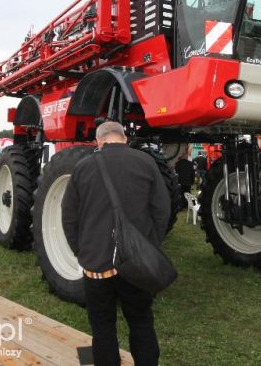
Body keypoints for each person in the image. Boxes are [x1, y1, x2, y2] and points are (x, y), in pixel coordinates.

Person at [62, 121, 170, 366]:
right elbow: (162, 211)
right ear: (125, 138)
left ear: (98, 141)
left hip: (96, 263)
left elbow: (69, 216)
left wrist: (81, 250)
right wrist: (148, 246)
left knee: (102, 326)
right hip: (136, 263)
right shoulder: (146, 162)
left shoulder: (83, 167)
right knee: (141, 320)